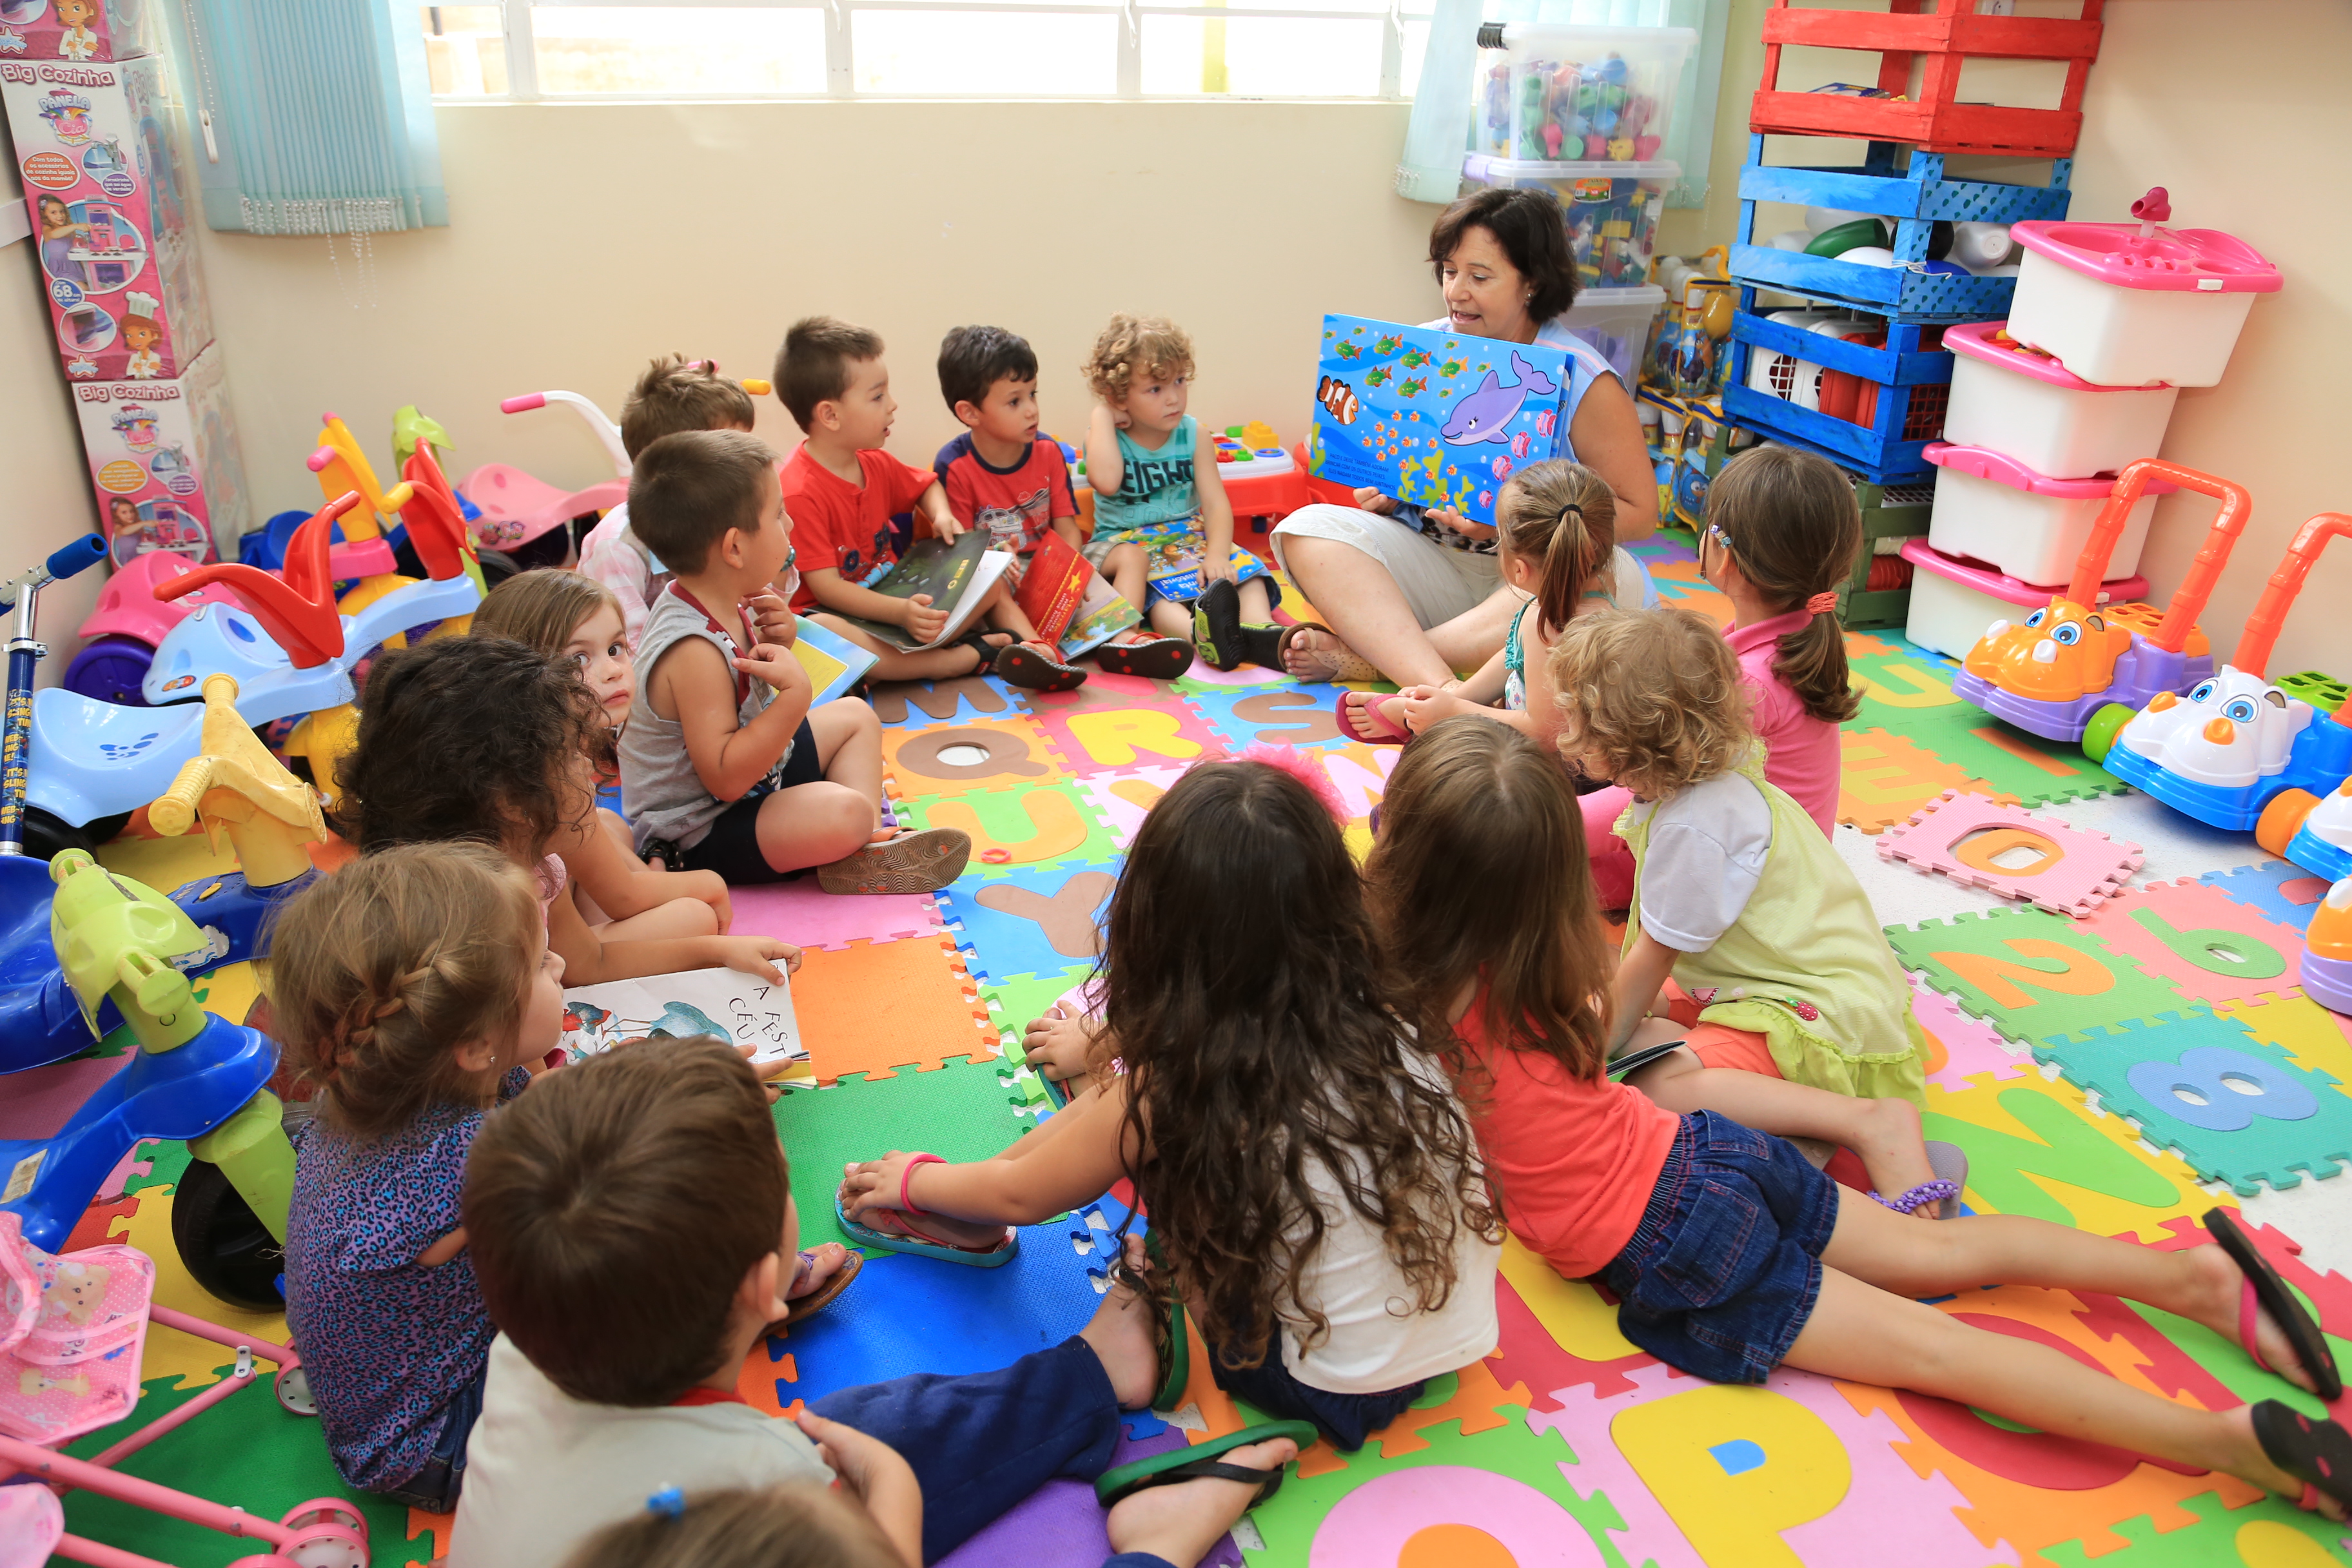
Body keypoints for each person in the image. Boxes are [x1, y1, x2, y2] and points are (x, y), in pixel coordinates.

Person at [1353, 720, 2352, 1521]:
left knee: (1933, 1352)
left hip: (1672, 1238)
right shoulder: (1559, 968)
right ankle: (2192, 1279)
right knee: (1940, 1256)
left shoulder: (1408, 1019)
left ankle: (2222, 1444)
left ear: (1403, 860)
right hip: (1708, 1154)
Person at [838, 754, 1500, 1455]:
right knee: (1133, 1106)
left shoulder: (1189, 1079)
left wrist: (916, 1182)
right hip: (1449, 1334)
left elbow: (1025, 1193)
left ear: (1155, 924)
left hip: (1315, 1378)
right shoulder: (1383, 1009)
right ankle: (975, 1209)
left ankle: (1137, 1300)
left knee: (1139, 1115)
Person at [448, 1040, 1300, 1568]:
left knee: (861, 1420)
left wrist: (728, 1287)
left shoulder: (521, 1351)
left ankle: (1085, 1377)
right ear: (758, 1289)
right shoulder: (767, 1491)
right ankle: (1156, 1549)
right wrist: (891, 1493)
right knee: (874, 1443)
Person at [1548, 608, 1936, 1182]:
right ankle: (1747, 1087)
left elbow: (1654, 955)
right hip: (1774, 980)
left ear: (1621, 739)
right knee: (1615, 1007)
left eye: (1574, 717)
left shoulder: (1695, 824)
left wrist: (1588, 1060)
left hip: (1811, 1013)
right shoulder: (1711, 774)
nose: (1564, 730)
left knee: (1654, 1085)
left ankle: (1866, 1123)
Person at [1271, 188, 1659, 690]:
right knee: (1306, 530)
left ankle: (1384, 659)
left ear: (1532, 283)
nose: (1455, 291)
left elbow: (1640, 513)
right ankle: (1446, 690)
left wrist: (1515, 522)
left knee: (1612, 573)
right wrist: (1389, 490)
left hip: (1532, 581)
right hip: (1435, 568)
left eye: (1479, 277)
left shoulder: (1585, 378)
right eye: (1449, 271)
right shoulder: (1421, 348)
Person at [274, 844, 552, 1513]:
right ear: (476, 1044)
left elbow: (545, 1105)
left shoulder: (381, 1094)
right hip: (432, 1440)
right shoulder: (460, 1155)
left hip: (400, 1394)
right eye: (544, 965)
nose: (561, 967)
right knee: (627, 1252)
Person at [616, 429, 971, 892]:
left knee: (855, 716)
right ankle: (856, 835)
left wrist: (778, 638)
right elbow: (725, 779)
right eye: (779, 514)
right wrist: (795, 696)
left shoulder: (722, 598)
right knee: (844, 811)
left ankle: (864, 849)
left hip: (760, 775)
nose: (790, 524)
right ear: (735, 549)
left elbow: (747, 706)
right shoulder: (692, 651)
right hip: (703, 827)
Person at [336, 634, 807, 981]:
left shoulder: (538, 862)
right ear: (514, 802)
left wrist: (716, 953)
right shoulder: (462, 922)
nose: (586, 766)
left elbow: (589, 964)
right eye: (568, 756)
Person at [1579, 444, 1859, 905]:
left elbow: (1655, 792)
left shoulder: (1752, 686)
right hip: (1771, 861)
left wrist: (1556, 824)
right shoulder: (1798, 636)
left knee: (1540, 868)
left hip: (1754, 891)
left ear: (1725, 556)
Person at [776, 316, 1075, 689]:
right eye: (878, 396)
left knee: (990, 577)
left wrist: (942, 515)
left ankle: (1036, 650)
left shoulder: (874, 461)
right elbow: (828, 590)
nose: (893, 405)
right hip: (848, 616)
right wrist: (901, 613)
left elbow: (926, 486)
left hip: (902, 600)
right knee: (822, 631)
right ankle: (948, 662)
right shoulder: (798, 491)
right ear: (830, 415)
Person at [471, 569, 734, 936]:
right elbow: (625, 897)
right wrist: (708, 884)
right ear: (519, 676)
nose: (612, 671)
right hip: (526, 951)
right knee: (695, 916)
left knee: (609, 825)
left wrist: (657, 885)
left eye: (615, 649)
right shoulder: (548, 776)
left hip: (551, 917)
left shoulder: (539, 751)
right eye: (578, 660)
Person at [933, 324, 1190, 681]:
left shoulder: (1047, 451)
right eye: (1015, 401)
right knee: (990, 586)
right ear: (970, 413)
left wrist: (1070, 573)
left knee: (1133, 556)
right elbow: (964, 552)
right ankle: (1038, 651)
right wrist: (996, 559)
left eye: (1033, 394)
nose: (1031, 410)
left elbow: (1067, 528)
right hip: (1002, 572)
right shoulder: (955, 465)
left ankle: (1123, 637)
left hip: (1054, 561)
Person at [1335, 460, 1640, 745]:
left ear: (1519, 570)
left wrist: (1453, 712)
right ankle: (1435, 712)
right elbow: (1514, 656)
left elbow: (1545, 734)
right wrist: (1460, 698)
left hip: (1547, 761)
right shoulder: (1600, 587)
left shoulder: (1547, 624)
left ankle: (1432, 723)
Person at [1080, 315, 1282, 674]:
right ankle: (1200, 635)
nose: (1173, 398)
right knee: (1156, 600)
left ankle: (1260, 631)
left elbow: (1216, 504)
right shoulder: (1106, 436)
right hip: (1128, 545)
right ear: (1118, 396)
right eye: (1155, 389)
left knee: (1247, 573)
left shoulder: (1194, 434)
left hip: (1189, 536)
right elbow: (1107, 482)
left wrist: (1217, 555)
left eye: (1179, 381)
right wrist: (1102, 415)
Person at [577, 354, 760, 649]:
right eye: (733, 457)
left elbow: (748, 602)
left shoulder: (720, 518)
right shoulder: (617, 549)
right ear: (670, 469)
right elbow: (633, 651)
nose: (749, 468)